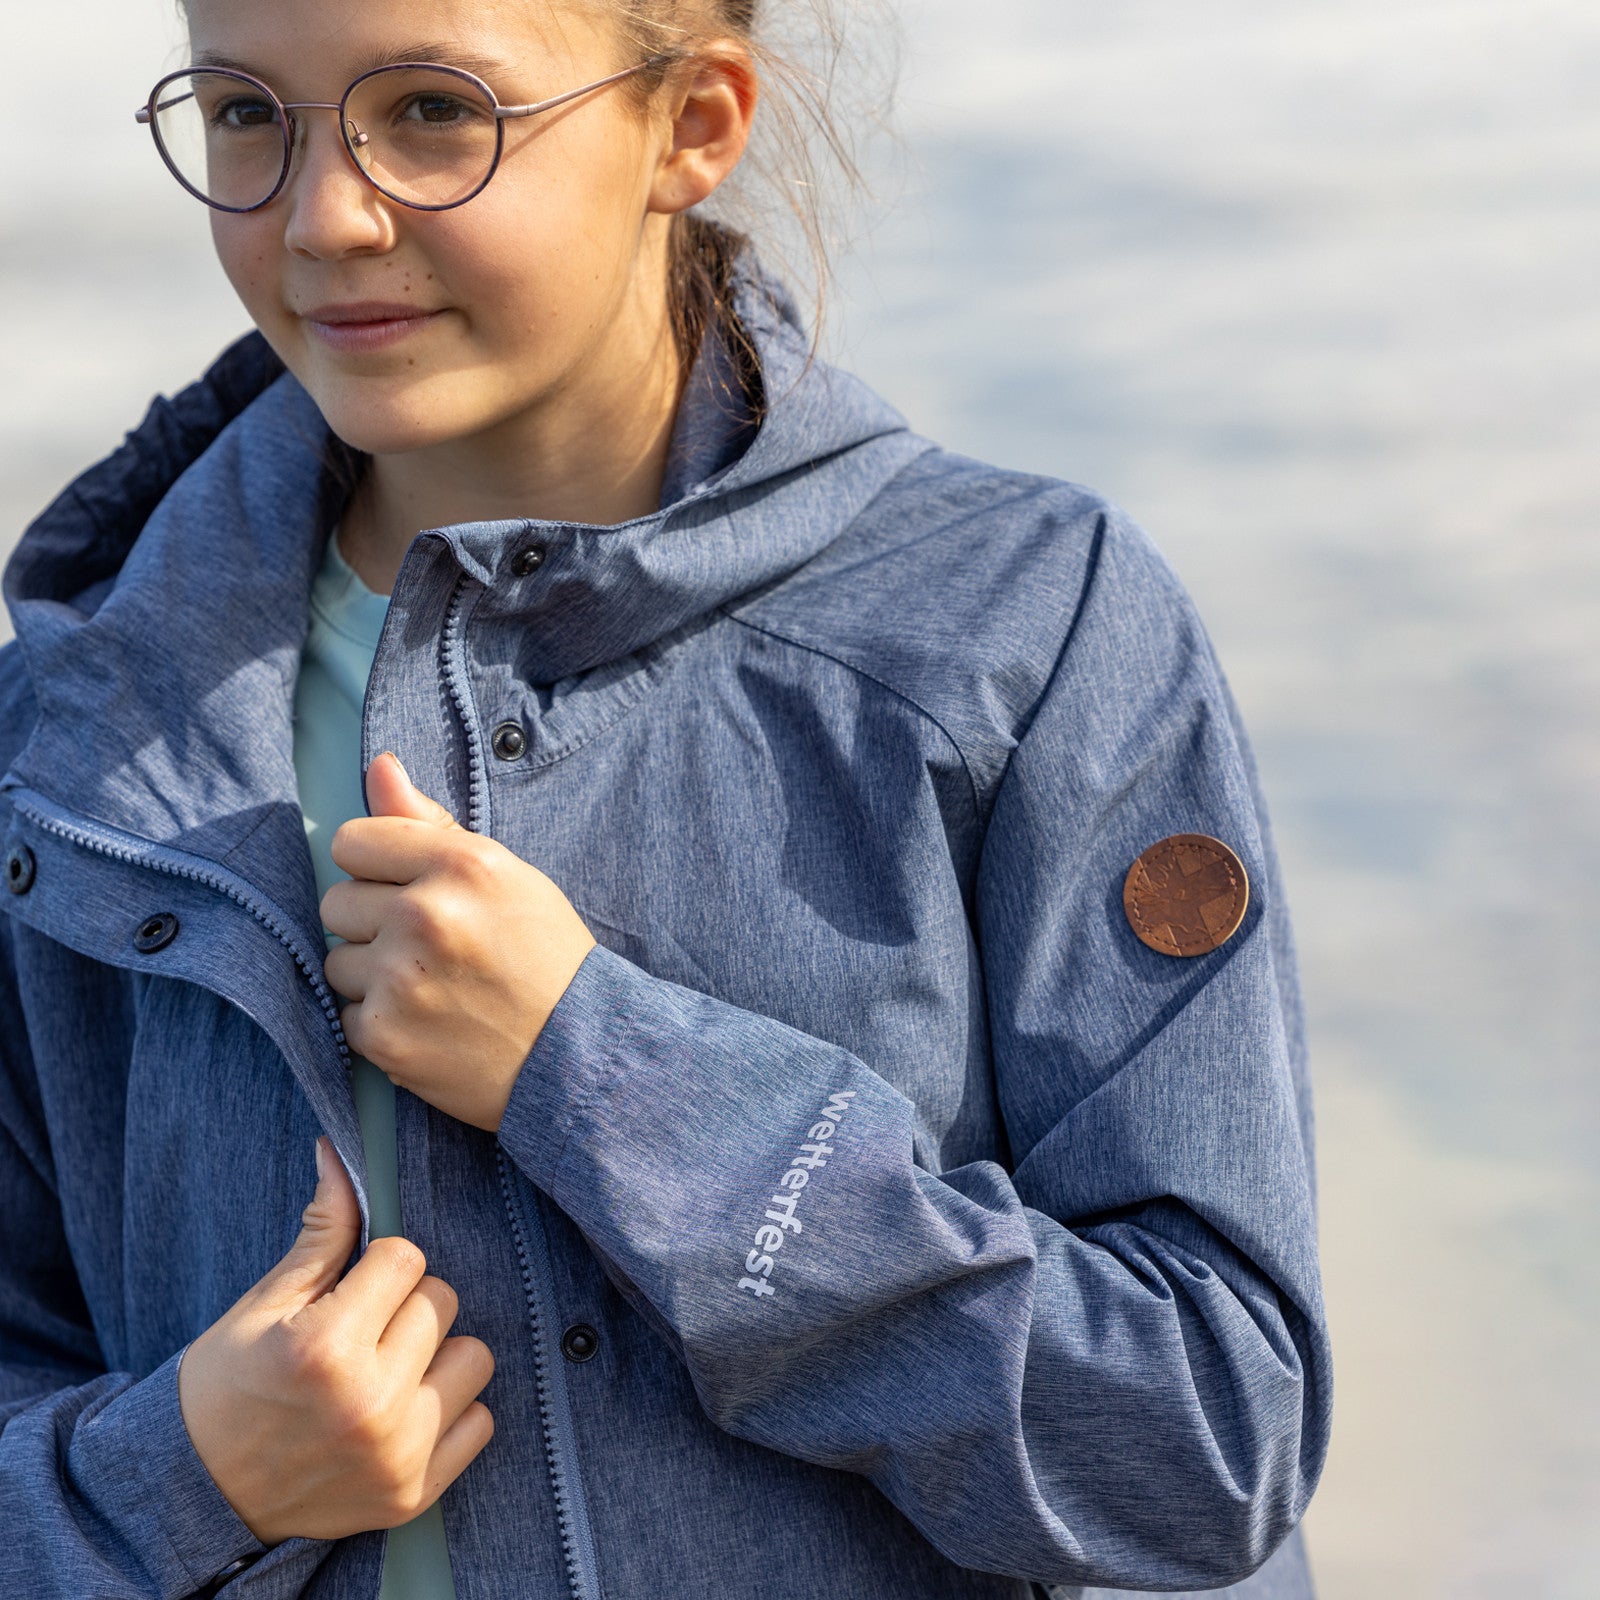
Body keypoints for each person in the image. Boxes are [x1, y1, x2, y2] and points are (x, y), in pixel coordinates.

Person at [0, 0, 1332, 1596]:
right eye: (243, 115)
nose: (325, 216)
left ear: (694, 122)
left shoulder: (1033, 626)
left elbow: (1203, 1442)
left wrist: (600, 1071)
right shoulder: (70, 738)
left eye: (433, 110)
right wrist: (176, 1479)